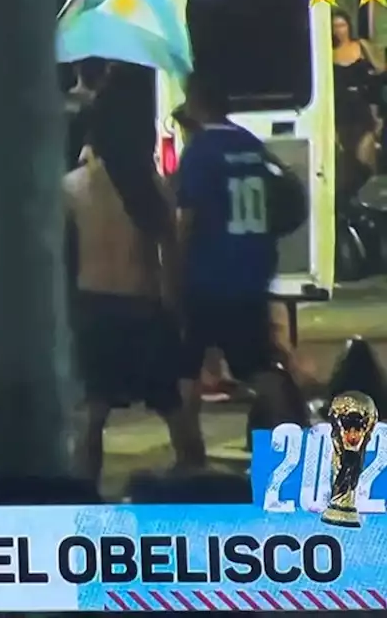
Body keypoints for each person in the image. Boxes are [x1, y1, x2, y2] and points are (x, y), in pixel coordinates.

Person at [65, 71, 201, 483]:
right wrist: (176, 307)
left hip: (94, 306)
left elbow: (58, 254)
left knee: (92, 415)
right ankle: (201, 493)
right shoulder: (152, 187)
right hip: (144, 305)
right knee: (175, 413)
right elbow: (173, 254)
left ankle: (84, 496)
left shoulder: (72, 187)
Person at [174, 71, 299, 453]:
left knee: (186, 370)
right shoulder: (252, 145)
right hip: (252, 272)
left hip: (209, 276)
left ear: (197, 102)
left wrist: (174, 274)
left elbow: (187, 222)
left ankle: (189, 456)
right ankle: (290, 446)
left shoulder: (200, 152)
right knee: (260, 368)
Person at [332, 8, 382, 198]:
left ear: (348, 26)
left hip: (362, 109)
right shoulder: (330, 53)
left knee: (366, 160)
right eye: (335, 26)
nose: (339, 30)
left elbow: (380, 68)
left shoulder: (360, 46)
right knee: (347, 164)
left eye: (342, 25)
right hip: (342, 112)